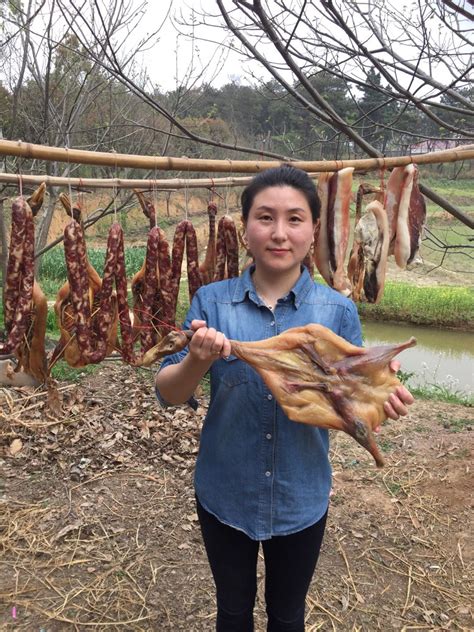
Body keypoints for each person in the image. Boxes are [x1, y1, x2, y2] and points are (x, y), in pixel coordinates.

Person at [155, 165, 414, 632]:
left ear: (313, 230)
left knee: (287, 615)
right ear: (246, 228)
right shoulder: (212, 303)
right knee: (233, 611)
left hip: (302, 496)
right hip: (224, 491)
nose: (279, 233)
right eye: (265, 217)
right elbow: (169, 394)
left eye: (294, 219)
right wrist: (197, 359)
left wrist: (382, 402)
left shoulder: (337, 311)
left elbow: (355, 394)